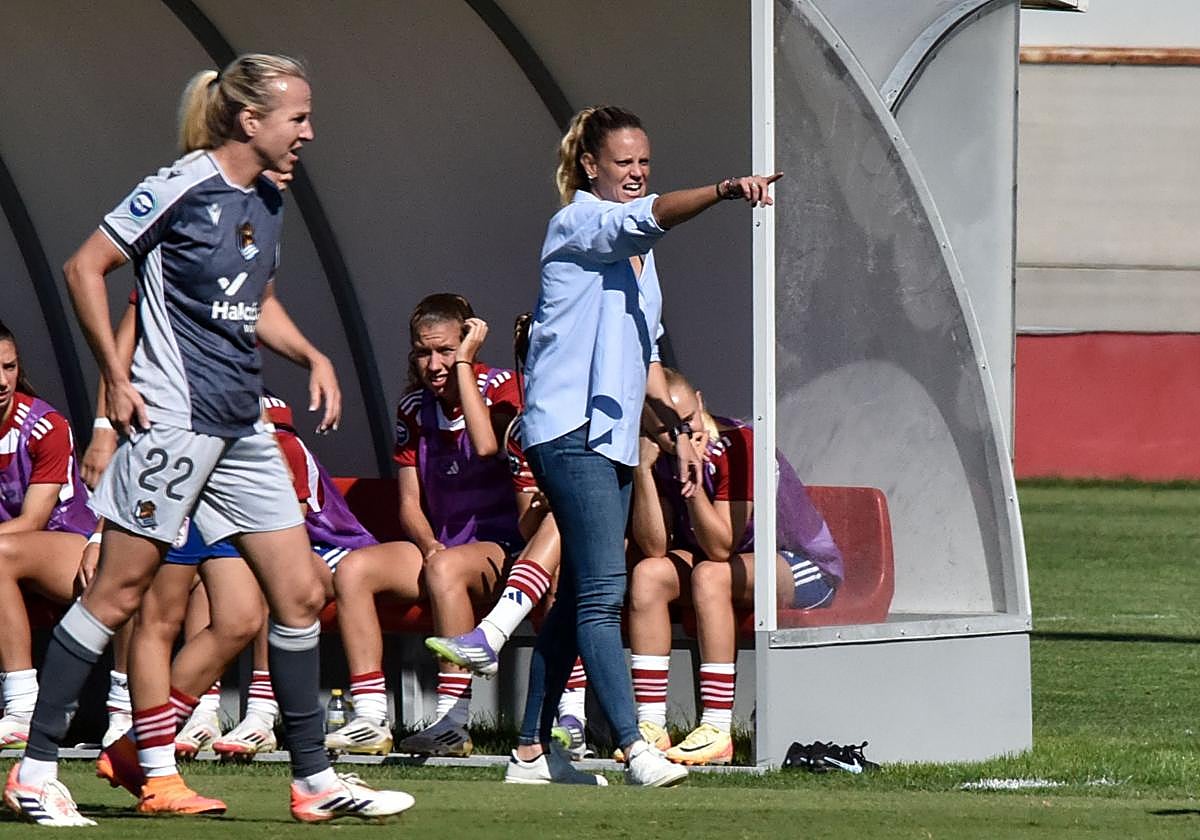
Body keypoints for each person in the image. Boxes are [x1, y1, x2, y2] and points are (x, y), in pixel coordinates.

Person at [2, 54, 413, 827]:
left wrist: (314, 355)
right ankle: (34, 770)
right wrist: (114, 378)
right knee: (118, 595)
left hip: (242, 426)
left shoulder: (269, 199)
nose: (309, 132)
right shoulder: (180, 186)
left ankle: (314, 780)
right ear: (251, 121)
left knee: (300, 592)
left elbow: (255, 302)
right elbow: (84, 267)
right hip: (174, 424)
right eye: (298, 117)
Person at [510, 105, 780, 787]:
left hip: (612, 436)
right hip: (568, 430)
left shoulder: (641, 261)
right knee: (604, 592)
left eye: (644, 163)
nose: (636, 172)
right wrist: (725, 190)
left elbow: (646, 363)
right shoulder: (577, 222)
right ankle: (636, 747)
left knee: (581, 593)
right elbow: (651, 215)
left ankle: (530, 753)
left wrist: (679, 430)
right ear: (590, 166)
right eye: (623, 162)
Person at [325, 293, 532, 759]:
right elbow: (408, 503)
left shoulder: (502, 388)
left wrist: (467, 368)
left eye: (446, 351)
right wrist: (428, 543)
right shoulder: (414, 409)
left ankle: (453, 722)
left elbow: (487, 447)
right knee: (354, 569)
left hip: (504, 548)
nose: (434, 364)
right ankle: (370, 718)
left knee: (444, 569)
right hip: (442, 548)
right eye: (423, 353)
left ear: (467, 345)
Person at [628, 367, 843, 765]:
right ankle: (650, 726)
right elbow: (655, 546)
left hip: (804, 566)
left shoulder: (741, 444)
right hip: (729, 566)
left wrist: (691, 483)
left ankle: (716, 729)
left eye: (687, 420)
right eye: (665, 431)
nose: (682, 435)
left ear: (701, 402)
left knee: (710, 575)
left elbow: (720, 545)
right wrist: (642, 470)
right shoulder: (657, 456)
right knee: (648, 575)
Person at [425, 313, 594, 759]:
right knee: (551, 553)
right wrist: (542, 505)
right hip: (553, 554)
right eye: (533, 366)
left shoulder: (601, 415)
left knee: (572, 533)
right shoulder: (527, 429)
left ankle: (493, 636)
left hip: (628, 544)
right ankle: (565, 721)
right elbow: (525, 524)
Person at [0, 321, 101, 750]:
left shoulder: (44, 426)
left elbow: (34, 520)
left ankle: (23, 708)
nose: (1, 381)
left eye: (9, 367)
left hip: (72, 546)